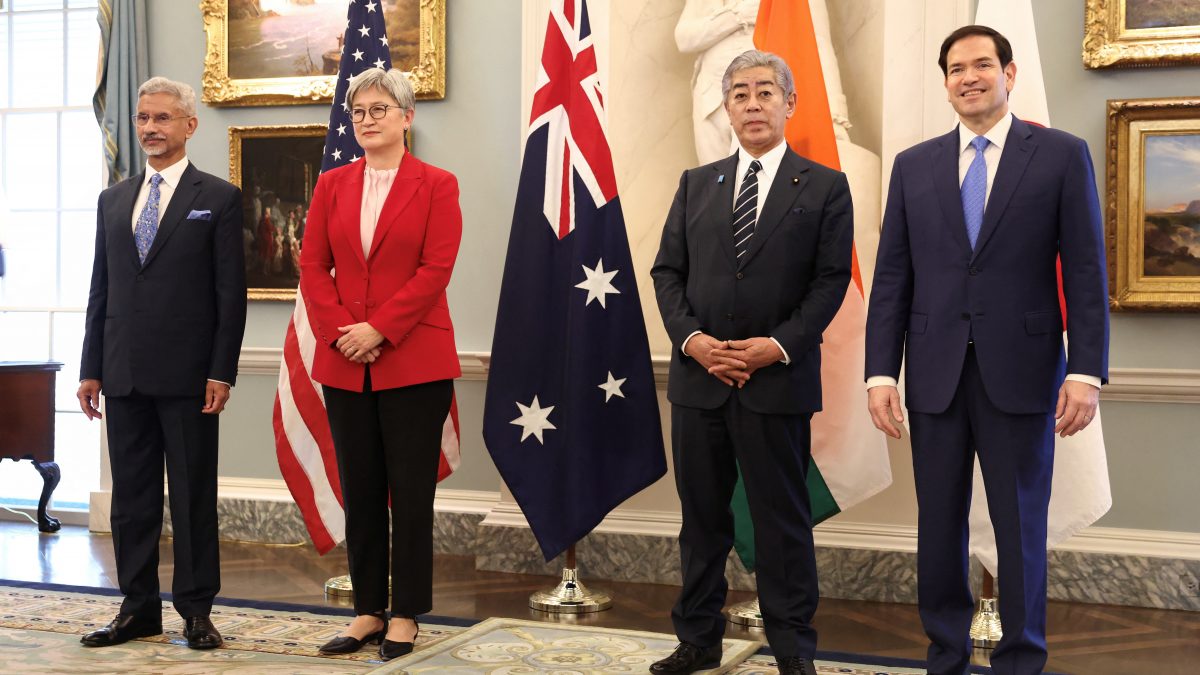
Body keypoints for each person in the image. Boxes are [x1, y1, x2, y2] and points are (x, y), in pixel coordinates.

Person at [864, 25, 1109, 675]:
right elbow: (892, 279)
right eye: (955, 68)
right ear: (945, 82)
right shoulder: (913, 167)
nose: (968, 77)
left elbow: (1085, 272)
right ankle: (944, 655)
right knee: (937, 526)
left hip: (1024, 373)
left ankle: (1021, 659)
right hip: (935, 374)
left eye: (981, 64)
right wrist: (879, 373)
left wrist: (1085, 371)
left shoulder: (1059, 154)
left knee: (1021, 526)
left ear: (1010, 72)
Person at [650, 50, 853, 675]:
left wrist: (776, 346)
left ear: (789, 103)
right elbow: (667, 275)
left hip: (777, 381)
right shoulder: (695, 184)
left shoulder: (824, 186)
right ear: (727, 108)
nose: (753, 103)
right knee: (701, 522)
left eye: (765, 92)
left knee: (781, 523)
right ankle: (698, 641)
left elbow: (829, 282)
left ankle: (793, 648)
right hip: (699, 382)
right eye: (740, 93)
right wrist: (694, 342)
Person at [77, 76, 247, 650]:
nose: (151, 128)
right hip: (122, 374)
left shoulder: (218, 198)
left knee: (193, 496)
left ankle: (197, 611)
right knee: (132, 500)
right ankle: (137, 608)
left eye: (163, 118)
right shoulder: (113, 199)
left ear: (188, 125)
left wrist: (221, 371)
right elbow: (101, 290)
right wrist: (90, 368)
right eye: (143, 118)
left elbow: (231, 296)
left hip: (190, 378)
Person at [297, 67, 462, 662]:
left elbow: (434, 270)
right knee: (359, 491)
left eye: (379, 109)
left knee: (410, 494)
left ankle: (406, 615)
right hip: (345, 360)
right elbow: (312, 266)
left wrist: (379, 330)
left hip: (414, 361)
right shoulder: (333, 185)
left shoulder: (437, 184)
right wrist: (342, 333)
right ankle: (368, 611)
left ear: (406, 118)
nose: (367, 119)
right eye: (359, 111)